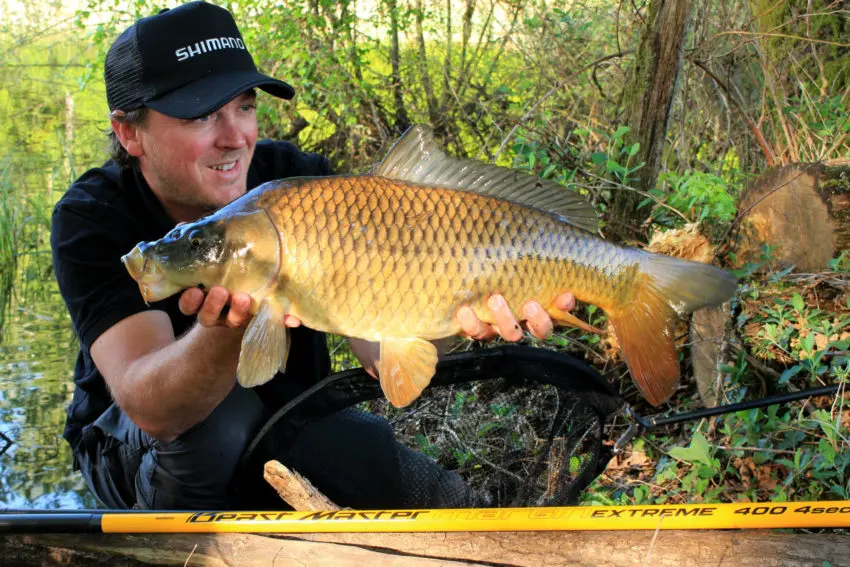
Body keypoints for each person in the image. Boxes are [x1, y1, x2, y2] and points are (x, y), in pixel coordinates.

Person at [50, 1, 577, 511]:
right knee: (220, 426)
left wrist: (458, 308)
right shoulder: (94, 216)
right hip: (137, 446)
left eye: (246, 107)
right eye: (201, 116)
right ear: (129, 132)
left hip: (290, 416)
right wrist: (228, 323)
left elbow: (379, 350)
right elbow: (152, 408)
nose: (236, 138)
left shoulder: (300, 184)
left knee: (395, 472)